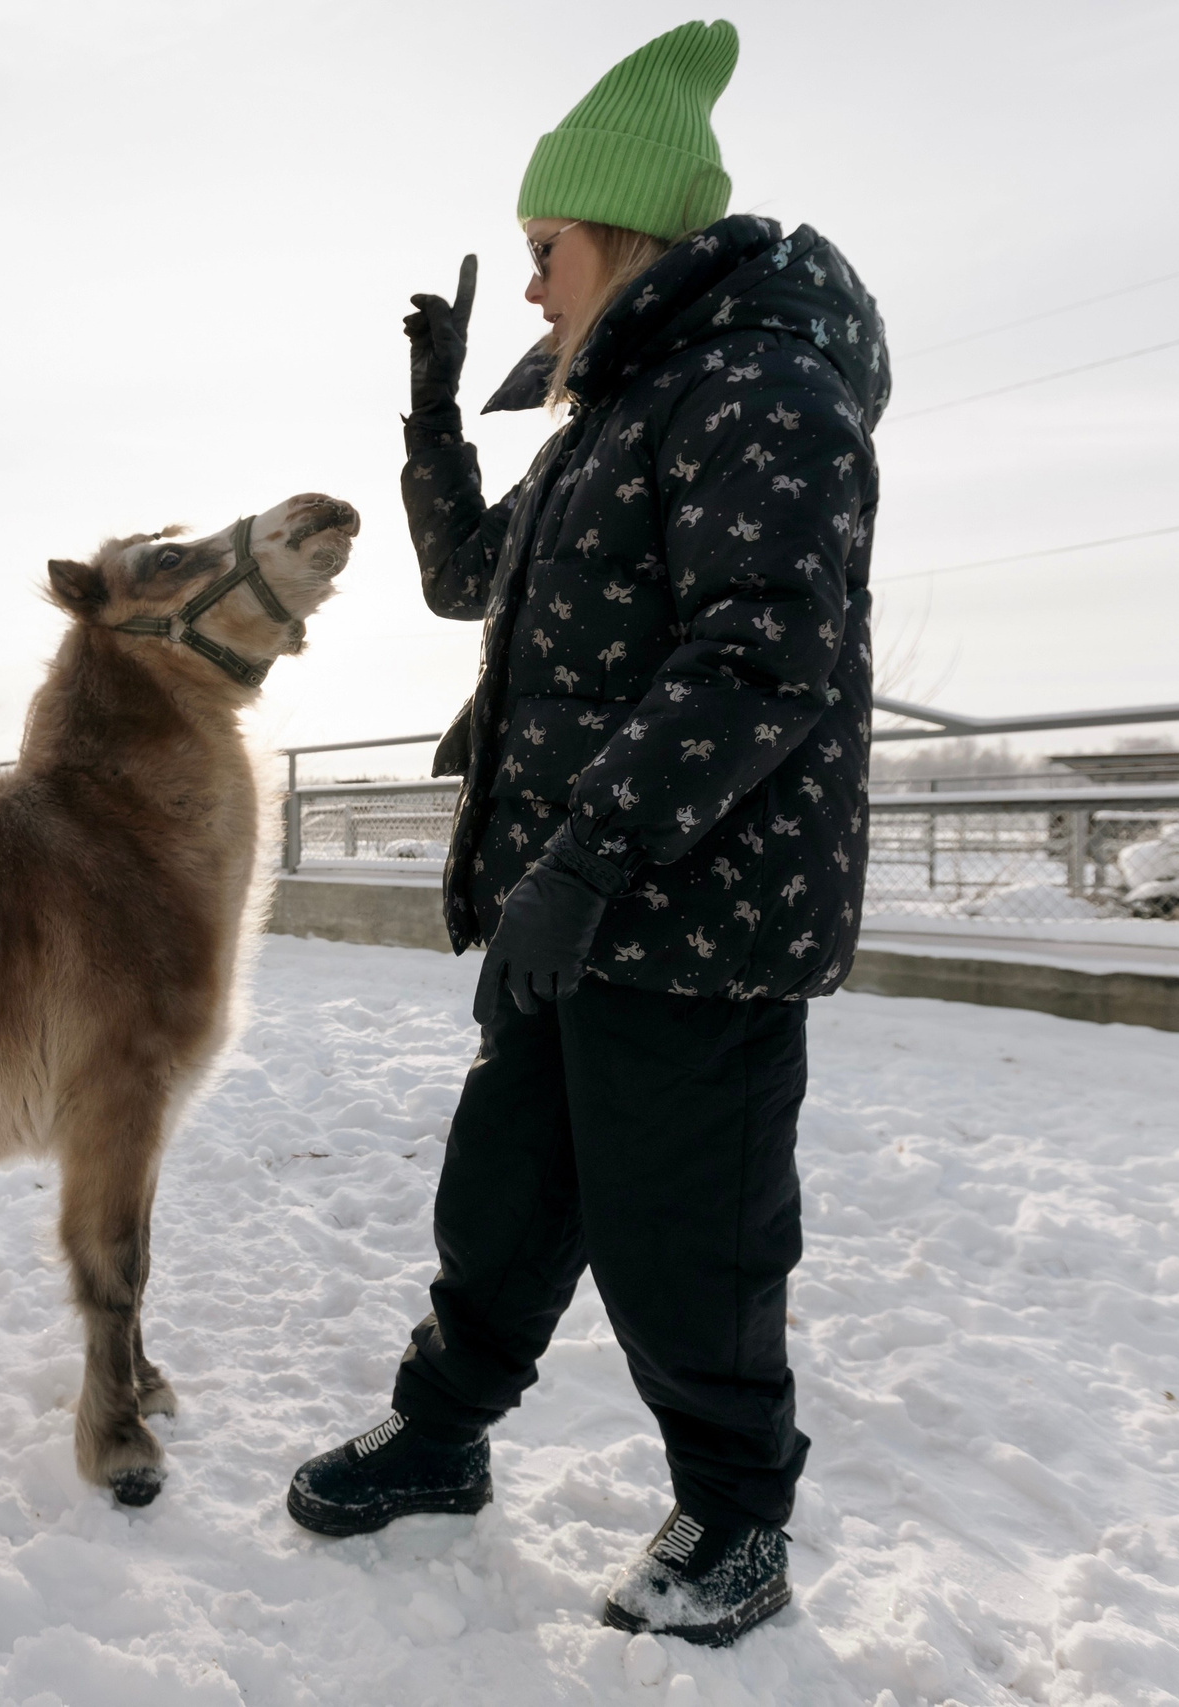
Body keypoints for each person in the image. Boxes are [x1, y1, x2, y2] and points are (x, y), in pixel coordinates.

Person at [283, 19, 888, 1648]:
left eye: (544, 248)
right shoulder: (609, 413)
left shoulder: (764, 384)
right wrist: (432, 420)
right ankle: (441, 1440)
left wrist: (591, 857)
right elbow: (470, 580)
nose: (533, 286)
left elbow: (766, 651)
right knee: (505, 1193)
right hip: (572, 898)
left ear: (618, 229)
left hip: (690, 916)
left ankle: (738, 1522)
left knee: (687, 1234)